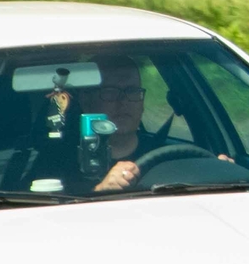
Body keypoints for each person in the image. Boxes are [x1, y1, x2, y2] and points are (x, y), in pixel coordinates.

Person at [73, 56, 176, 193]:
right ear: (86, 102)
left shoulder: (169, 159)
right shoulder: (58, 160)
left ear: (142, 103)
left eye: (132, 91)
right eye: (110, 92)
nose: (123, 102)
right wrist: (101, 190)